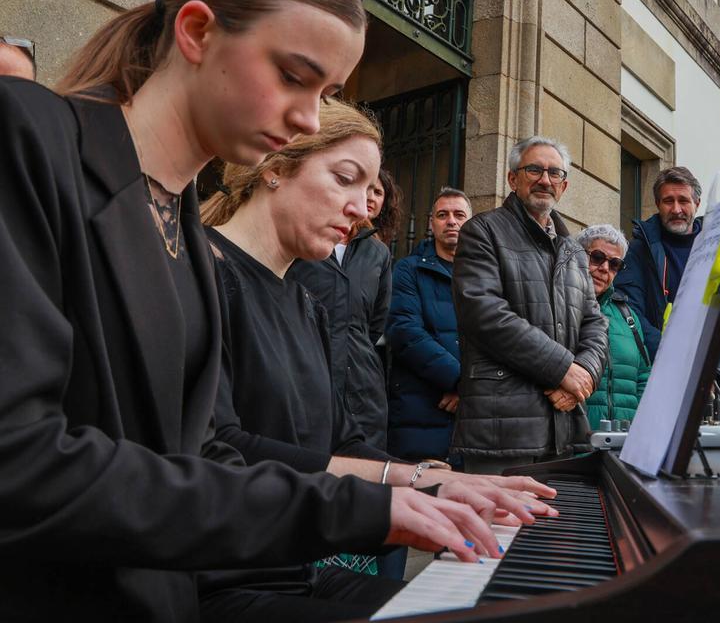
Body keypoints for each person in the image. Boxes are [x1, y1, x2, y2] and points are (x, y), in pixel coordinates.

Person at [0, 0, 505, 620]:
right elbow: (21, 461)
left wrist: (393, 494)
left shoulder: (180, 224)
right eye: (295, 78)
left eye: (325, 94)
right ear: (198, 33)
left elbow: (206, 455)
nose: (306, 119)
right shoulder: (28, 133)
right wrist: (364, 507)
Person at [198, 100, 556, 617]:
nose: (364, 210)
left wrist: (442, 480)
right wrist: (405, 492)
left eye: (370, 192)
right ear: (274, 168)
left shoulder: (305, 305)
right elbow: (221, 447)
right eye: (346, 179)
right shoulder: (202, 272)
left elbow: (343, 441)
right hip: (216, 580)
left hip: (296, 569)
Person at [451, 136, 608, 474]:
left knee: (555, 524)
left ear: (563, 186)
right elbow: (485, 314)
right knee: (499, 527)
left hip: (564, 428)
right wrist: (563, 369)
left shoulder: (574, 251)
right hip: (502, 431)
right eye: (534, 169)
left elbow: (595, 324)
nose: (545, 180)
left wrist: (585, 376)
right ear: (513, 179)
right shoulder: (483, 232)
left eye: (554, 173)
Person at [615, 165, 720, 424]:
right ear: (657, 204)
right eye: (668, 201)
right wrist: (674, 361)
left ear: (698, 203)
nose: (677, 209)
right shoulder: (639, 250)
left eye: (684, 200)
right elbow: (631, 314)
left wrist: (718, 369)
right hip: (660, 382)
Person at [286, 159, 393, 450]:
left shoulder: (378, 253)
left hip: (362, 385)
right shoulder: (303, 239)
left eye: (376, 191)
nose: (368, 197)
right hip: (305, 374)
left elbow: (376, 322)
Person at [387, 188, 473, 462]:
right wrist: (460, 381)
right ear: (430, 223)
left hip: (473, 415)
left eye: (459, 215)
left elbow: (501, 338)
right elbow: (405, 332)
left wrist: (470, 389)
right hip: (421, 408)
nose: (451, 221)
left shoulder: (487, 274)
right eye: (442, 214)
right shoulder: (408, 269)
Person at [572, 225, 654, 430]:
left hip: (623, 443)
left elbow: (644, 376)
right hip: (576, 441)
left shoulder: (628, 315)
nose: (605, 268)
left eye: (615, 264)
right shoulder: (560, 306)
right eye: (597, 257)